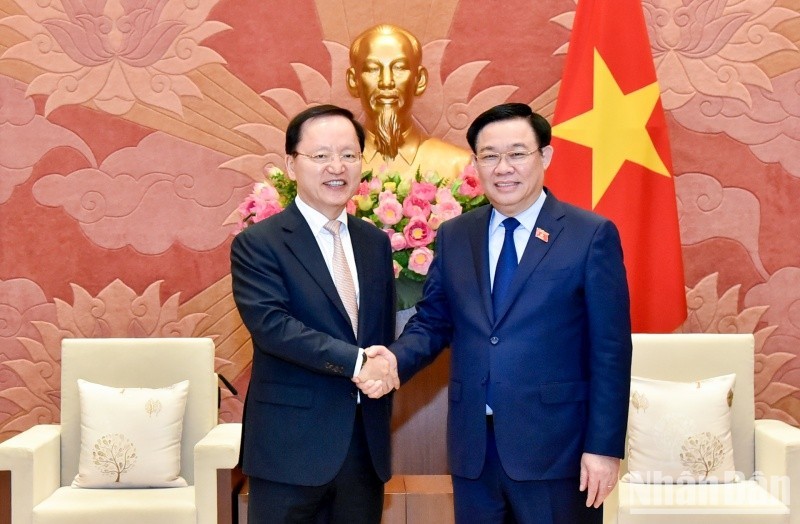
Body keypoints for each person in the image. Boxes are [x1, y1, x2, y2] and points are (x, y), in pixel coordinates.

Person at [359, 103, 632, 523]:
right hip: (474, 450)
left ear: (545, 157)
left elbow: (611, 351)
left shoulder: (589, 235)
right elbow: (434, 321)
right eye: (489, 156)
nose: (503, 168)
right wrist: (395, 358)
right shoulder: (455, 235)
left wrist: (604, 447)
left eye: (518, 153)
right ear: (475, 164)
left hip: (557, 450)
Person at [231, 104, 399, 524]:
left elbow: (380, 330)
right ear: (291, 165)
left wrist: (387, 364)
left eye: (348, 154)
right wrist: (360, 362)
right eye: (320, 156)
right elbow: (273, 327)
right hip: (288, 448)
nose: (336, 167)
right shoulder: (259, 243)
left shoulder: (374, 242)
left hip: (363, 446)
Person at [347, 24, 471, 181]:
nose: (386, 82)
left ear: (420, 80)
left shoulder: (459, 166)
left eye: (399, 68)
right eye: (373, 69)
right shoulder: (335, 169)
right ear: (353, 81)